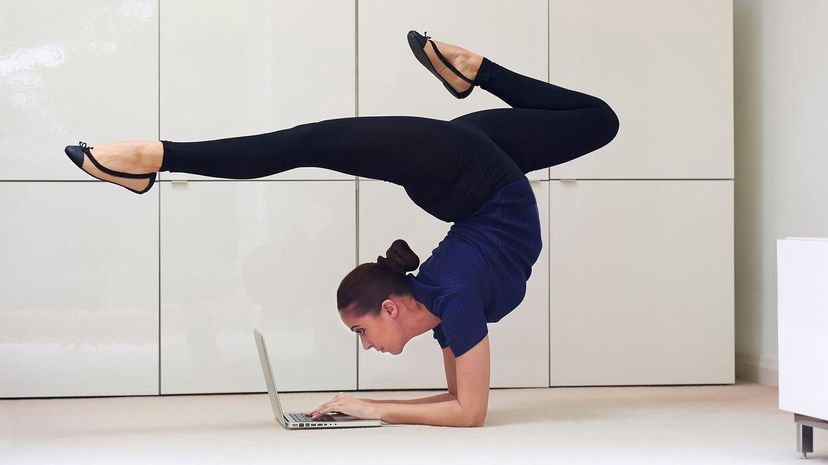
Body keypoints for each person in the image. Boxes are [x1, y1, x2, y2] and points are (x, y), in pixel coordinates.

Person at [64, 30, 619, 427]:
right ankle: (153, 158)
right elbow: (469, 412)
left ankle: (474, 72)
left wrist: (364, 405)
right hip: (470, 175)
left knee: (598, 121)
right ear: (392, 308)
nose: (365, 345)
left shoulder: (447, 304)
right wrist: (374, 409)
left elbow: (458, 404)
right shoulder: (457, 300)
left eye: (358, 333)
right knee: (309, 142)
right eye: (361, 332)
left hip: (471, 176)